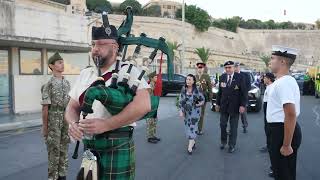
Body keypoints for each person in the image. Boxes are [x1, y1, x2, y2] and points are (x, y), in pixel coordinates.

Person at [65, 23, 151, 179]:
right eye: (93, 44)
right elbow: (72, 107)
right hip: (90, 148)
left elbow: (144, 105)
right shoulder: (85, 74)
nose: (95, 48)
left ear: (115, 47)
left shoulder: (128, 71)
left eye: (101, 44)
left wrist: (106, 125)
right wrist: (73, 123)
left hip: (117, 146)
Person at [267, 45, 302, 180]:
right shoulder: (282, 81)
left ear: (282, 62)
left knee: (284, 175)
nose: (270, 61)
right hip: (279, 129)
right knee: (281, 172)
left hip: (282, 131)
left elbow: (290, 114)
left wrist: (286, 145)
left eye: (272, 58)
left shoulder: (284, 83)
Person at [41, 52, 70, 180]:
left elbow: (70, 104)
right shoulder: (48, 85)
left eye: (62, 62)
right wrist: (45, 127)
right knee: (54, 150)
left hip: (65, 119)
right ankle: (53, 177)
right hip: (53, 118)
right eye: (59, 62)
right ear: (51, 66)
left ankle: (62, 175)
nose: (62, 64)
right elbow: (45, 107)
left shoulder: (67, 83)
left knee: (64, 148)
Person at [216, 61, 247, 153]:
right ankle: (223, 141)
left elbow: (244, 93)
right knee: (222, 125)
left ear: (233, 68)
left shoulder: (240, 77)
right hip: (224, 106)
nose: (228, 69)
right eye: (226, 68)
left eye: (230, 67)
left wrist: (242, 105)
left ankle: (231, 145)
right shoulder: (222, 77)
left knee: (233, 127)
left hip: (235, 106)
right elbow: (220, 92)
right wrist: (217, 104)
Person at [179, 74, 205, 155]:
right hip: (186, 113)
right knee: (188, 127)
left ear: (193, 81)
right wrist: (181, 111)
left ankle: (190, 147)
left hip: (195, 112)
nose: (188, 81)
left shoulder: (197, 90)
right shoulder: (183, 89)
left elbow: (203, 99)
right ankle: (193, 141)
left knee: (192, 127)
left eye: (190, 79)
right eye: (187, 79)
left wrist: (199, 104)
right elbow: (180, 101)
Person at [260, 72, 275, 178]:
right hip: (267, 110)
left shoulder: (272, 88)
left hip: (270, 112)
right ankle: (268, 145)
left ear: (269, 79)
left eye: (264, 78)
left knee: (270, 131)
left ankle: (270, 146)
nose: (263, 79)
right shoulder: (268, 87)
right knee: (267, 130)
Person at [195, 62, 213, 135]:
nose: (200, 69)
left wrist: (210, 97)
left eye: (201, 68)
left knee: (201, 113)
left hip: (203, 96)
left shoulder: (206, 76)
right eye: (198, 68)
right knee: (195, 113)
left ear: (203, 68)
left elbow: (210, 87)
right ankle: (194, 127)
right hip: (195, 97)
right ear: (197, 68)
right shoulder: (194, 76)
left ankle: (200, 129)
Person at [234, 62, 251, 133]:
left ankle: (245, 126)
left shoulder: (245, 75)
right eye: (234, 67)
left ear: (239, 67)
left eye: (237, 66)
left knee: (243, 113)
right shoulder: (231, 75)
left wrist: (242, 91)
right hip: (233, 97)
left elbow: (248, 86)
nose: (235, 68)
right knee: (233, 113)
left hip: (242, 97)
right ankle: (232, 128)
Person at [146, 71, 161, 144]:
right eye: (155, 77)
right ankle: (150, 137)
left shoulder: (155, 84)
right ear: (151, 78)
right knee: (150, 121)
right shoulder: (149, 86)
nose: (157, 78)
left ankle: (153, 135)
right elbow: (148, 96)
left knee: (154, 121)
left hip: (154, 105)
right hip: (150, 106)